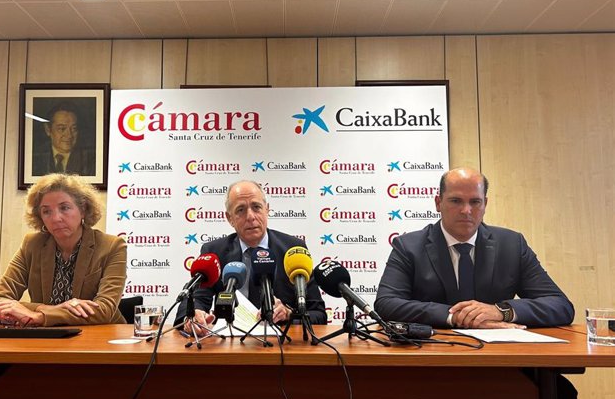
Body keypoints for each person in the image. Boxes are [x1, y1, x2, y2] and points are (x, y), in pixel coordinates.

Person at [375, 167, 574, 329]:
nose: (466, 210)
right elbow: (386, 304)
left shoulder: (511, 245)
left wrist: (501, 312)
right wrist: (456, 317)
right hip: (433, 357)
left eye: (475, 202)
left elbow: (560, 306)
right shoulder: (409, 246)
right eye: (456, 201)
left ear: (485, 204)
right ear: (438, 203)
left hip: (500, 362)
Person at [175, 180, 327, 333]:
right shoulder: (215, 251)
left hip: (281, 347)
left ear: (267, 210)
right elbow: (197, 299)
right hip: (230, 347)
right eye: (241, 210)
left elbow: (318, 314)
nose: (250, 216)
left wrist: (289, 314)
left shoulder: (293, 249)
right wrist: (194, 316)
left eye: (256, 207)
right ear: (229, 218)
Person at [0, 173, 126, 326]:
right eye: (46, 211)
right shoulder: (32, 244)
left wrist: (40, 316)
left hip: (100, 340)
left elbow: (104, 310)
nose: (56, 218)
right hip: (48, 339)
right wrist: (44, 308)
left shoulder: (112, 246)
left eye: (64, 208)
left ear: (83, 210)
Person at [32, 101, 95, 176]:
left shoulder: (90, 159)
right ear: (48, 130)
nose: (69, 135)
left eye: (74, 129)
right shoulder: (35, 157)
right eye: (62, 129)